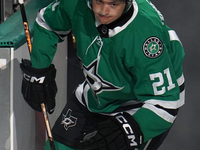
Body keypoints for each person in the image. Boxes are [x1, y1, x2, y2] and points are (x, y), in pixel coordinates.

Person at [20, 0, 185, 149]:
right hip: (96, 95)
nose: (104, 11)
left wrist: (126, 132)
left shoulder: (146, 37)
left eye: (113, 4)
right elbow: (48, 23)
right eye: (99, 1)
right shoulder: (76, 3)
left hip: (141, 105)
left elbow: (165, 104)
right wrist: (38, 70)